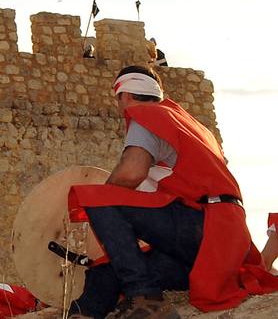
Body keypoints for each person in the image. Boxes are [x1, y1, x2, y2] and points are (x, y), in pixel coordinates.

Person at [69, 64, 278, 318]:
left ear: (124, 95)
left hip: (205, 228)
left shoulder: (146, 115)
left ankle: (145, 298)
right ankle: (84, 313)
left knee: (99, 199)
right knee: (109, 268)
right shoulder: (192, 126)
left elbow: (131, 173)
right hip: (221, 246)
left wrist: (103, 213)